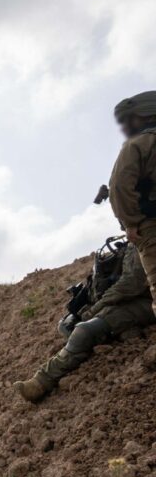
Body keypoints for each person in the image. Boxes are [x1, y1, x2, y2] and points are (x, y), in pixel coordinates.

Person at [15, 242, 155, 403]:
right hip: (141, 298)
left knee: (85, 331)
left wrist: (96, 308)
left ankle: (41, 381)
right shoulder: (140, 237)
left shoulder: (145, 235)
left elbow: (131, 283)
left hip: (148, 301)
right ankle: (125, 330)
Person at [108, 90, 156, 316]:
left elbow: (119, 186)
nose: (125, 127)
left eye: (130, 120)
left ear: (147, 115)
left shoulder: (138, 144)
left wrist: (131, 222)